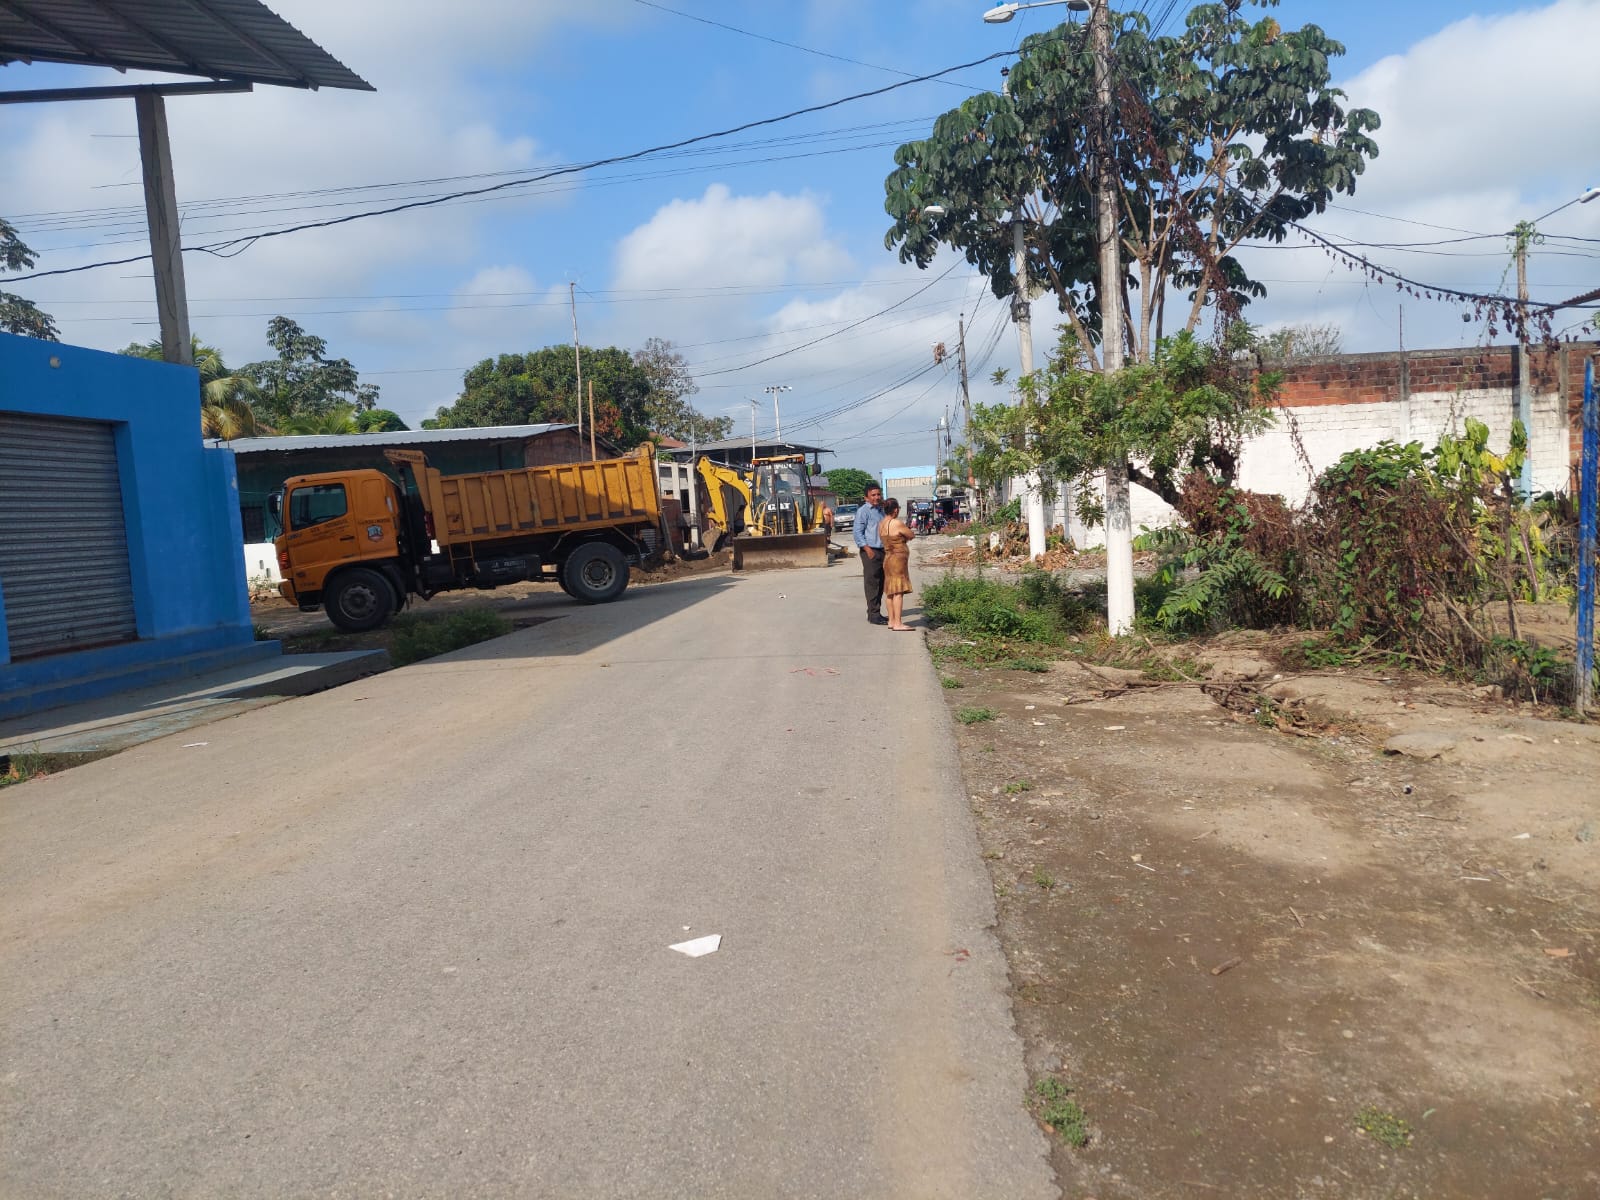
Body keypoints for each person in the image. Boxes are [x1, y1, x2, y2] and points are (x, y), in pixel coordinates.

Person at [879, 497, 916, 631]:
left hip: (888, 558)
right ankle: (898, 623)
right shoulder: (896, 523)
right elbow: (911, 535)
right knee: (898, 591)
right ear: (895, 510)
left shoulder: (881, 523)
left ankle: (891, 621)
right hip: (897, 559)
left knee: (890, 591)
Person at [853, 482, 887, 625]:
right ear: (866, 497)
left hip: (882, 551)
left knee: (881, 582)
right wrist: (867, 550)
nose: (876, 497)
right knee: (872, 583)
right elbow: (857, 532)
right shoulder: (863, 511)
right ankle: (874, 615)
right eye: (873, 495)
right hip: (870, 551)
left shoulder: (881, 510)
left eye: (878, 494)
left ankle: (875, 612)